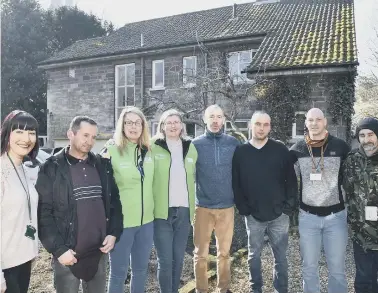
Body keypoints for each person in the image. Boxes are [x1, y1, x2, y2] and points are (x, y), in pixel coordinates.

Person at [35, 116, 123, 293]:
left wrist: (113, 233)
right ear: (71, 134)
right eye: (85, 135)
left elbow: (114, 203)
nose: (90, 141)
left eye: (93, 137)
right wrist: (59, 250)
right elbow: (44, 214)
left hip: (99, 252)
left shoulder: (102, 165)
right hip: (68, 254)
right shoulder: (51, 168)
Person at [232, 111, 297, 293]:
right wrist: (243, 208)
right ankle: (256, 289)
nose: (261, 128)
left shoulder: (280, 150)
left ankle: (281, 289)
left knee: (281, 257)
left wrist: (288, 209)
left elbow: (291, 181)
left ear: (270, 127)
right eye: (258, 124)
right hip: (253, 215)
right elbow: (236, 183)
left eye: (265, 124)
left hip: (279, 215)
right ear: (251, 125)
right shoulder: (241, 152)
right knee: (254, 256)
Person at [290, 108, 350, 293]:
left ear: (325, 122)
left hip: (336, 217)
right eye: (310, 120)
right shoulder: (296, 150)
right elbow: (285, 180)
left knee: (337, 269)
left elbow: (351, 179)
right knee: (308, 268)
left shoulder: (341, 147)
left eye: (318, 119)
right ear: (305, 123)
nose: (314, 123)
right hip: (308, 217)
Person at [101, 106, 154, 293]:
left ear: (143, 126)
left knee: (140, 271)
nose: (133, 126)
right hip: (121, 225)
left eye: (137, 122)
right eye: (128, 122)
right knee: (118, 274)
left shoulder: (149, 150)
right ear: (122, 125)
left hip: (147, 223)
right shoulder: (111, 150)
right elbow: (102, 189)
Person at [192, 104, 239, 293]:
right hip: (202, 207)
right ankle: (201, 289)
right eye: (211, 116)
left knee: (224, 253)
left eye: (219, 116)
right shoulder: (195, 145)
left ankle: (224, 288)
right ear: (204, 119)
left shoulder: (233, 143)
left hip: (227, 207)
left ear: (223, 119)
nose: (215, 121)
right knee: (200, 254)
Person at [151, 109, 198, 293]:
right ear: (162, 126)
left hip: (184, 210)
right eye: (168, 122)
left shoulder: (190, 146)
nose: (172, 125)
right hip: (162, 211)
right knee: (165, 259)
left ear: (181, 126)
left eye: (176, 122)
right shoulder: (153, 145)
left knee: (178, 258)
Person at [0, 110, 40, 293]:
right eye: (20, 131)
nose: (27, 138)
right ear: (7, 133)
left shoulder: (23, 168)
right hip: (5, 266)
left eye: (31, 132)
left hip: (23, 260)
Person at [343, 117, 378, 293]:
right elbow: (347, 190)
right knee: (364, 281)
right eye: (362, 135)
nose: (366, 140)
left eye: (371, 134)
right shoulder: (352, 159)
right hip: (362, 234)